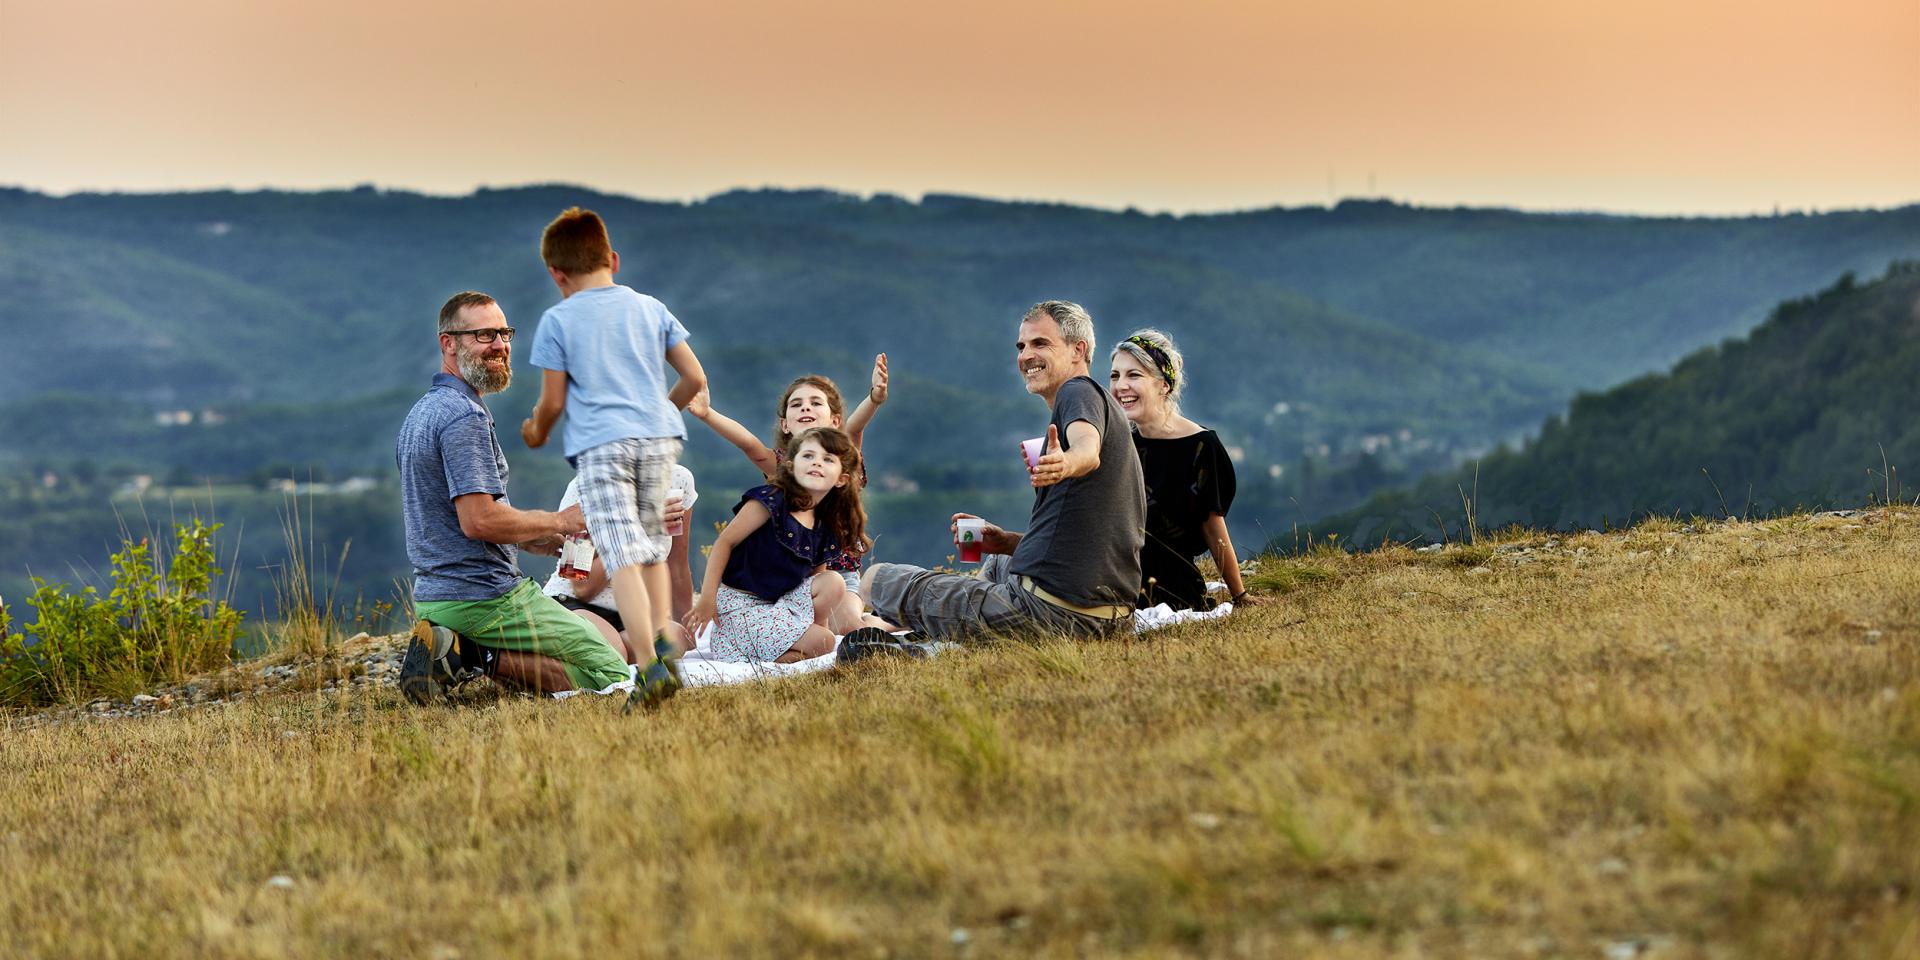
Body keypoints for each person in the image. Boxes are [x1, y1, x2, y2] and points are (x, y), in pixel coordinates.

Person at [396, 290, 680, 705]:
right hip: (485, 597)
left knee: (586, 654)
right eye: (483, 335)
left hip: (437, 598)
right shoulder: (463, 416)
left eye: (503, 333)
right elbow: (478, 521)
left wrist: (536, 540)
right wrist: (561, 521)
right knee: (611, 673)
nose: (499, 345)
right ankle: (470, 654)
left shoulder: (423, 413)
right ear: (449, 343)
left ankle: (454, 647)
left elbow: (456, 518)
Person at [858, 301, 1144, 642]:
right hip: (1112, 616)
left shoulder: (1077, 391)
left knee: (876, 579)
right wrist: (1006, 542)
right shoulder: (1104, 405)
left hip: (1051, 615)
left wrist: (1067, 462)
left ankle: (916, 640)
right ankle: (942, 640)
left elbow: (1088, 449)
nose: (1025, 356)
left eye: (1040, 344)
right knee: (996, 564)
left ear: (1077, 350)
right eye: (1021, 346)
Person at [519, 206, 707, 691]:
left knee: (625, 556)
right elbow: (695, 378)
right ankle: (658, 656)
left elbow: (554, 400)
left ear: (557, 275)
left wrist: (535, 431)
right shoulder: (651, 308)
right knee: (647, 549)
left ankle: (649, 667)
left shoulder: (558, 319)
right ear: (614, 260)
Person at [687, 355, 889, 632]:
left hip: (840, 574)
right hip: (793, 579)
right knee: (825, 631)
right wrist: (708, 413)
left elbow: (854, 428)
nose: (805, 407)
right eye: (796, 404)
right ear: (785, 425)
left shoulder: (844, 459)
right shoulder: (785, 466)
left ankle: (888, 626)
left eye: (815, 403)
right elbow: (749, 445)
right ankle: (876, 623)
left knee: (850, 628)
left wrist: (874, 399)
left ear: (835, 420)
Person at [685, 428, 872, 662]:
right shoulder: (772, 500)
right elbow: (724, 543)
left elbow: (815, 581)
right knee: (824, 641)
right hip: (740, 612)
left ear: (841, 479)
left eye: (827, 459)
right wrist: (707, 598)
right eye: (808, 456)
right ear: (791, 466)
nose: (817, 463)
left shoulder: (827, 525)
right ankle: (757, 656)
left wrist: (818, 634)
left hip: (780, 609)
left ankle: (794, 644)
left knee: (834, 583)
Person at [1110, 329, 1261, 611]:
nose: (1120, 386)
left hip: (1171, 588)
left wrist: (1239, 595)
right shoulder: (1120, 443)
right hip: (1115, 583)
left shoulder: (1201, 446)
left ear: (1163, 385)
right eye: (1115, 375)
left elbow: (1212, 526)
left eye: (1134, 375)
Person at [540, 464, 698, 650]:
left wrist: (692, 645)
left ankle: (613, 651)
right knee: (614, 651)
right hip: (575, 603)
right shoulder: (585, 488)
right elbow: (582, 588)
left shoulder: (677, 479)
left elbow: (676, 568)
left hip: (631, 611)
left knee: (676, 639)